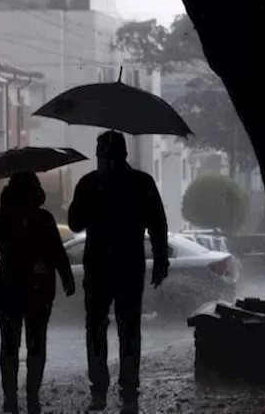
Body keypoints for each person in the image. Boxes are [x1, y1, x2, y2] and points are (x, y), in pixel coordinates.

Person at [68, 131, 170, 413]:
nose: (103, 159)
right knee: (128, 329)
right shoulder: (141, 182)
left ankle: (101, 391)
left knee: (98, 328)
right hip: (128, 265)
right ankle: (128, 394)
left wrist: (87, 203)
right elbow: (158, 225)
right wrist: (160, 260)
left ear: (104, 155)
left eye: (102, 153)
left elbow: (75, 223)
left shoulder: (89, 183)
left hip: (100, 265)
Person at [0, 172, 76, 414]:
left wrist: (65, 275)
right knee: (33, 344)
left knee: (12, 345)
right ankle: (27, 398)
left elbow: (55, 252)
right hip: (33, 289)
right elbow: (55, 253)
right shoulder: (22, 219)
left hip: (11, 289)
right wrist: (64, 277)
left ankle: (17, 398)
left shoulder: (5, 218)